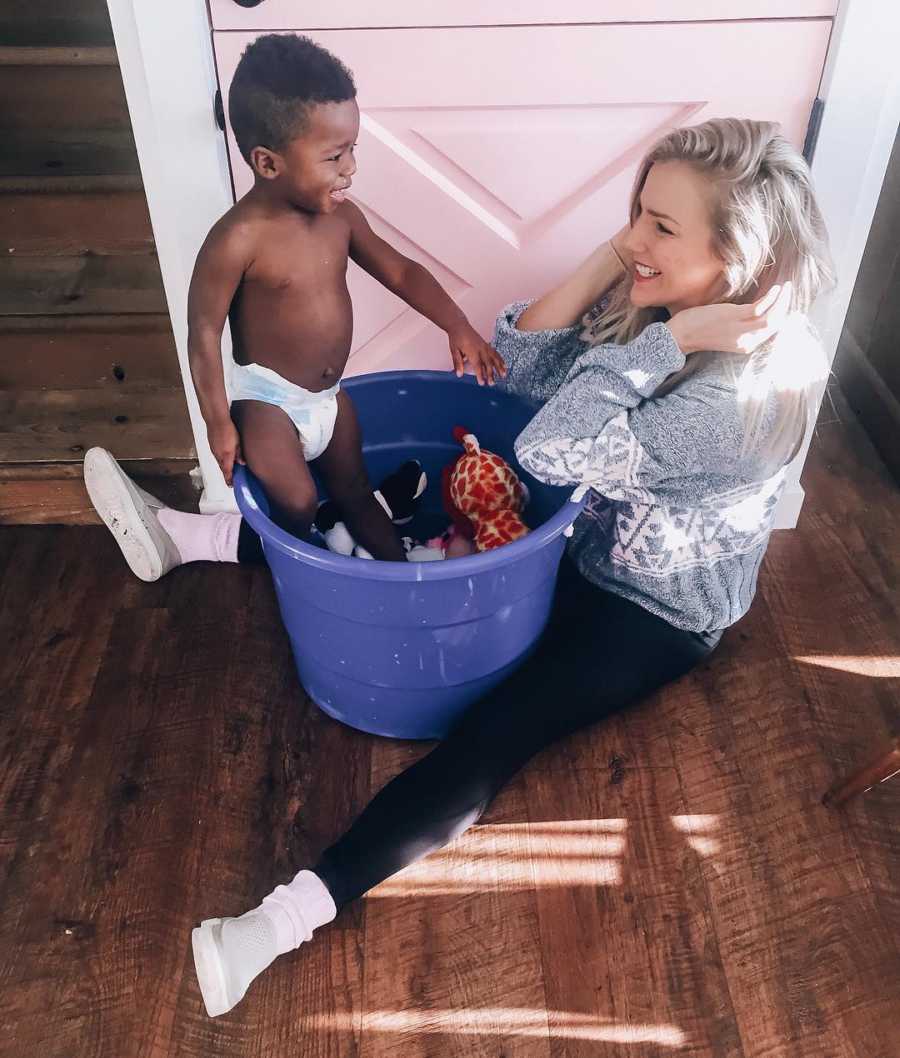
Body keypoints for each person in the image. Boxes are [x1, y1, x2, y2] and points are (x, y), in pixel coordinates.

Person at [87, 117, 834, 1018]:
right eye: (636, 209)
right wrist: (625, 259)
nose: (635, 235)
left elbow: (550, 450)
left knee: (495, 732)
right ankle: (188, 539)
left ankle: (279, 922)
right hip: (586, 536)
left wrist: (661, 343)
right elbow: (518, 374)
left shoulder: (735, 396)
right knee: (404, 539)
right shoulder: (671, 316)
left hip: (649, 610)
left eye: (662, 228)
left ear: (742, 261)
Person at [85, 33, 504, 573]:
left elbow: (400, 270)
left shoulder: (341, 219)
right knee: (299, 502)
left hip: (329, 397)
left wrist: (458, 326)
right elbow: (204, 336)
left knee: (355, 488)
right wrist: (219, 423)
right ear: (268, 162)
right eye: (334, 156)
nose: (350, 167)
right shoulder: (238, 239)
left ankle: (404, 574)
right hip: (269, 404)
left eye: (353, 148)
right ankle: (296, 563)